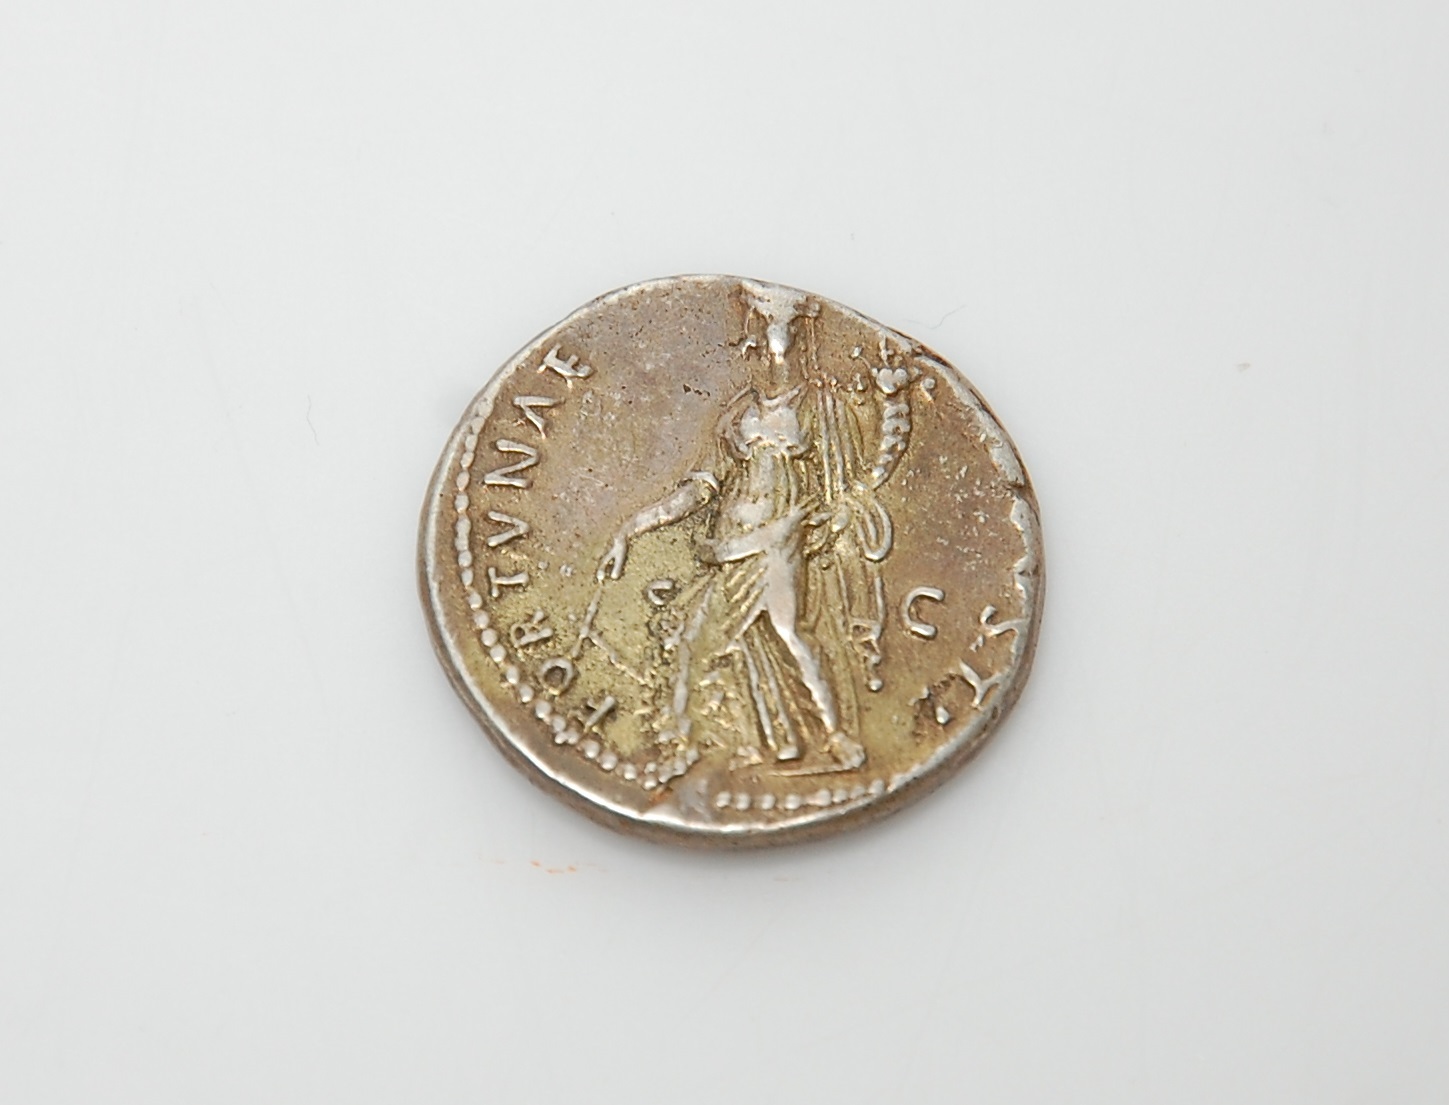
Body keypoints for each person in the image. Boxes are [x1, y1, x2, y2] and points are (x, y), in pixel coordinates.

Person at [596, 281, 912, 772]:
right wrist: (630, 530)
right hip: (727, 545)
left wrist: (893, 407)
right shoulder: (737, 413)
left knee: (788, 633)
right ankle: (693, 745)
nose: (761, 343)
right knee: (696, 639)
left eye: (774, 330)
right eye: (756, 329)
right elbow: (699, 489)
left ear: (798, 339)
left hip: (779, 541)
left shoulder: (822, 408)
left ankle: (838, 737)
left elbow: (851, 482)